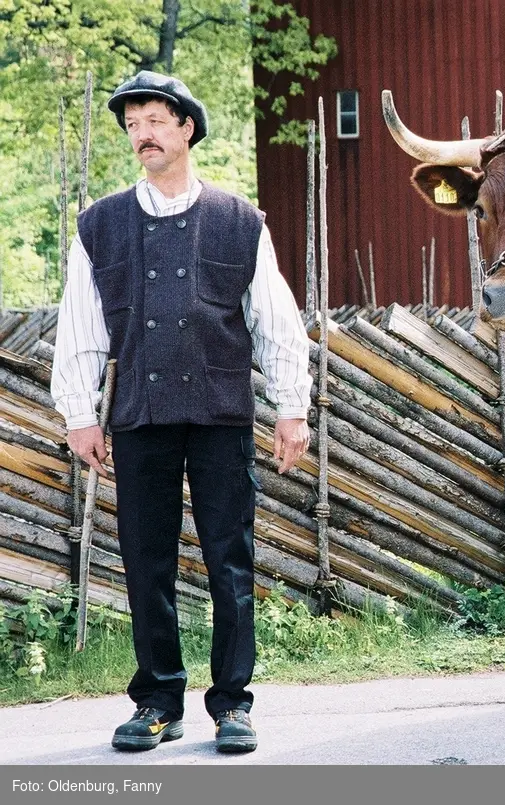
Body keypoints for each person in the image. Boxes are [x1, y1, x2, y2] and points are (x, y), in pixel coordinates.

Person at [51, 71, 313, 754]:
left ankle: (233, 704)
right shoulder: (100, 225)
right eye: (133, 122)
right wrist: (79, 410)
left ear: (187, 128)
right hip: (139, 415)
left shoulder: (237, 219)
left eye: (156, 120)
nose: (143, 132)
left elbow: (276, 321)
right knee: (147, 562)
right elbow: (80, 323)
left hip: (223, 415)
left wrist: (291, 407)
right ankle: (158, 700)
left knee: (231, 560)